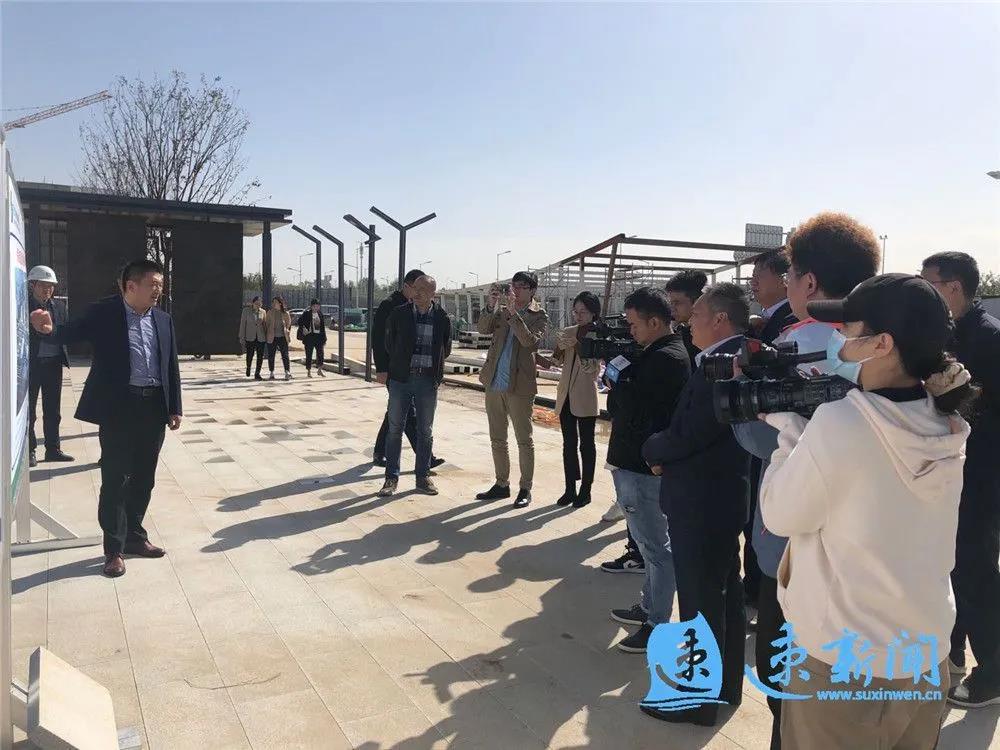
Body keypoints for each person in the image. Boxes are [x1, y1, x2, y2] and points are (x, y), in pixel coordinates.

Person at [761, 274, 975, 749]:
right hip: (924, 656)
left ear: (882, 343)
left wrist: (790, 435)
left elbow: (779, 514)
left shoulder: (842, 422)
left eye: (847, 329)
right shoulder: (947, 422)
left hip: (845, 663)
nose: (838, 339)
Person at [732, 212, 880, 748]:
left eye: (789, 275)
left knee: (787, 683)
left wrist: (744, 403)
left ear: (810, 282)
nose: (786, 284)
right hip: (869, 554)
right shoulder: (889, 349)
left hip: (794, 545)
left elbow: (762, 442)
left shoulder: (794, 343)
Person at [29, 259, 182, 578]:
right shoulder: (106, 312)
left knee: (144, 477)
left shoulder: (163, 319)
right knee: (115, 478)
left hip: (153, 408)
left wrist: (174, 407)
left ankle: (135, 536)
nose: (158, 290)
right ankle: (113, 549)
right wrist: (48, 330)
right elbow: (71, 331)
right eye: (153, 284)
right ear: (131, 286)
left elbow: (171, 365)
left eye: (160, 284)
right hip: (119, 408)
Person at [641, 282, 749, 726]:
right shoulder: (734, 357)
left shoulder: (725, 364)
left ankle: (696, 701)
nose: (689, 324)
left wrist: (652, 449)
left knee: (700, 602)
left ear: (720, 319)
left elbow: (692, 432)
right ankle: (724, 688)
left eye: (697, 316)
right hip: (718, 496)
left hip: (702, 501)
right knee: (723, 595)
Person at [921, 252, 1000, 709]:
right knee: (949, 567)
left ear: (953, 288)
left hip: (980, 476)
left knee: (975, 571)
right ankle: (949, 654)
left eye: (928, 283)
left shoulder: (989, 338)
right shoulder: (946, 332)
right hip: (950, 472)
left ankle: (992, 672)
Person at [602, 287, 690, 653]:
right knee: (647, 543)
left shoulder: (666, 359)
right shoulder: (655, 353)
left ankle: (657, 623)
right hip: (634, 462)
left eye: (634, 324)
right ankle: (649, 605)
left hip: (641, 467)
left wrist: (617, 385)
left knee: (655, 548)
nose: (630, 330)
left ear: (655, 322)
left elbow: (632, 410)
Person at [742, 249, 797, 612]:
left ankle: (762, 594)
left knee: (766, 518)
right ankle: (755, 587)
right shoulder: (768, 321)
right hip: (765, 438)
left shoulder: (791, 325)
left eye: (758, 276)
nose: (753, 283)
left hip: (776, 439)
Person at [475, 271, 548, 508]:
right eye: (513, 286)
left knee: (524, 439)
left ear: (532, 290)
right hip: (495, 380)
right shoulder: (502, 310)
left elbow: (530, 342)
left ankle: (525, 488)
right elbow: (483, 329)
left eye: (521, 287)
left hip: (520, 385)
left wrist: (514, 315)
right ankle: (501, 484)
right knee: (497, 437)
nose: (515, 291)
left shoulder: (539, 315)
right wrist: (491, 305)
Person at [377, 276, 452, 498]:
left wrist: (434, 373)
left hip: (427, 381)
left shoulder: (441, 317)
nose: (416, 293)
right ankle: (391, 478)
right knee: (394, 429)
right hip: (401, 380)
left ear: (433, 294)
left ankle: (423, 477)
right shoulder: (399, 314)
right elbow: (389, 344)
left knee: (425, 431)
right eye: (415, 289)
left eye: (422, 290)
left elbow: (445, 348)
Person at [552, 291, 602, 509]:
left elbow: (592, 369)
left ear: (593, 313)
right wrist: (558, 348)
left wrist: (578, 345)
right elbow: (556, 360)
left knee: (587, 445)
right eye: (576, 311)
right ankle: (569, 488)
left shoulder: (597, 334)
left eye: (583, 312)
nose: (578, 316)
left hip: (585, 396)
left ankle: (586, 490)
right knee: (568, 444)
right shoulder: (569, 331)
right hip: (566, 395)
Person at [26, 265, 73, 468]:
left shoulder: (59, 307)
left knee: (53, 410)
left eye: (51, 286)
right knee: (29, 410)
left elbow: (64, 332)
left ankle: (53, 449)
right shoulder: (22, 306)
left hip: (53, 364)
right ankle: (29, 450)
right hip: (31, 364)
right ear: (33, 285)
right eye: (43, 285)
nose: (47, 290)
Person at [664, 269, 707, 368]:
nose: (672, 308)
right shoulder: (682, 332)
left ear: (696, 301)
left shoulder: (707, 336)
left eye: (677, 303)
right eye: (671, 303)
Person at [238, 296, 267, 381]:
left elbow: (265, 325)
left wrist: (267, 336)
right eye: (256, 303)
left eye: (260, 303)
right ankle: (248, 367)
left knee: (260, 356)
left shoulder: (263, 312)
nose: (258, 305)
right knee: (250, 354)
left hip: (261, 337)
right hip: (250, 336)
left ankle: (257, 373)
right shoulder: (246, 311)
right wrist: (242, 337)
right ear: (253, 303)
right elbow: (243, 325)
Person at [298, 299, 327, 378]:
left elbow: (322, 327)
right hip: (309, 337)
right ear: (311, 306)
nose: (316, 308)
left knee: (320, 354)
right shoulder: (307, 313)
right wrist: (304, 328)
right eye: (314, 306)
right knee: (309, 354)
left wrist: (324, 338)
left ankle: (319, 370)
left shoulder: (320, 314)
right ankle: (309, 371)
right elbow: (299, 321)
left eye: (317, 306)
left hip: (319, 337)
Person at [264, 296, 292, 381]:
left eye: (275, 302)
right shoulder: (270, 312)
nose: (273, 304)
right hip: (272, 337)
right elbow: (266, 324)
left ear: (280, 303)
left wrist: (287, 331)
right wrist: (267, 334)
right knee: (271, 355)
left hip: (283, 337)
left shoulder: (285, 313)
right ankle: (271, 372)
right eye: (273, 302)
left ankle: (287, 371)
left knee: (285, 355)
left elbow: (288, 325)